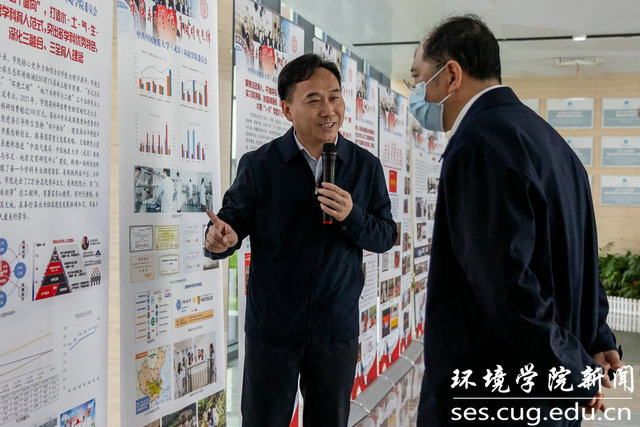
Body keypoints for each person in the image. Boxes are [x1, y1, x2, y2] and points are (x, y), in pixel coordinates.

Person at [410, 16, 622, 426]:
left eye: (418, 78)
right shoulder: (552, 144)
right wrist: (596, 337)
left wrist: (576, 370)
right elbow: (582, 260)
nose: (417, 91)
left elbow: (506, 285)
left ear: (451, 74)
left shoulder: (479, 143)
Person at [204, 53, 397, 426]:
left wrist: (352, 216)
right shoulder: (260, 164)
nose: (329, 109)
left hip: (335, 327)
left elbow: (385, 234)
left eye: (334, 97)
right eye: (314, 99)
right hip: (272, 328)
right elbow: (231, 222)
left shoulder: (365, 166)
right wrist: (221, 238)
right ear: (287, 109)